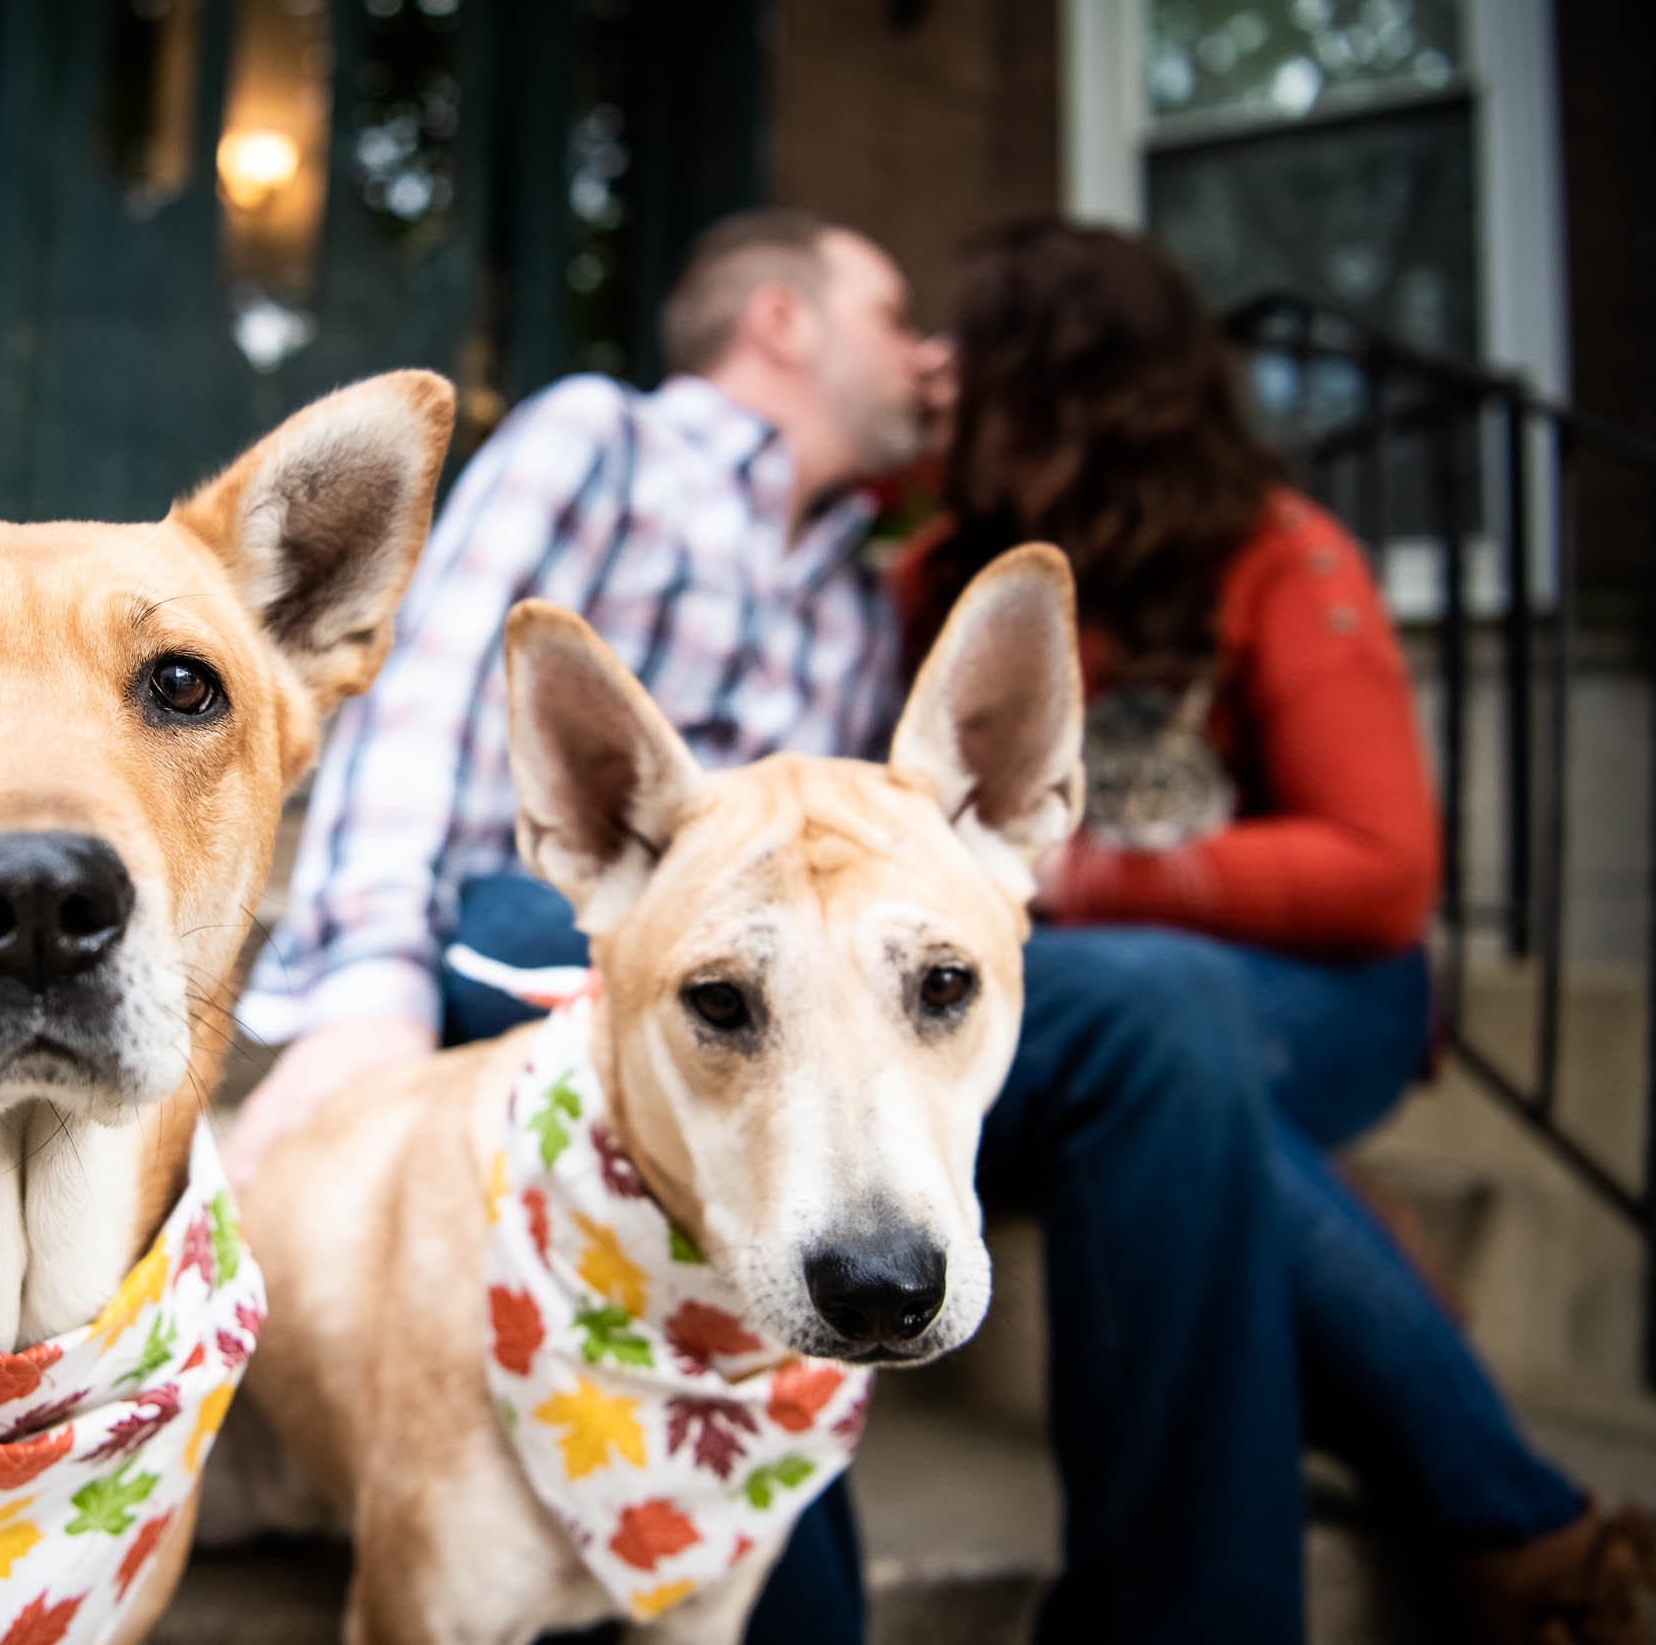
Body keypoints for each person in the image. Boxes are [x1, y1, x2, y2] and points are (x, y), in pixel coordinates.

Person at [229, 208, 1310, 1643]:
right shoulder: (599, 441)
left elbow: (878, 885)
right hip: (562, 917)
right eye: (896, 318)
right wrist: (363, 996)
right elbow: (417, 701)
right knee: (646, 987)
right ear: (784, 321)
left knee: (1173, 1014)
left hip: (820, 961)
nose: (934, 357)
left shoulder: (869, 600)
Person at [896, 215, 1654, 1644]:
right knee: (1159, 1068)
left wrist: (1080, 882)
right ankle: (1530, 1535)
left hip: (1324, 991)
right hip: (1116, 996)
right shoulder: (941, 575)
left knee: (1166, 1037)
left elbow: (1379, 870)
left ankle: (1521, 1538)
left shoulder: (1276, 556)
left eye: (968, 357)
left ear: (1059, 383)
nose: (939, 380)